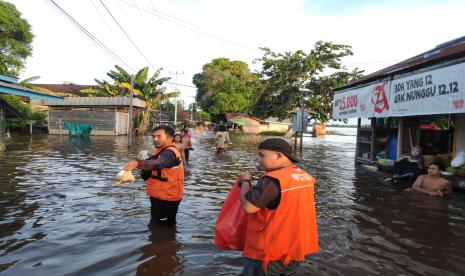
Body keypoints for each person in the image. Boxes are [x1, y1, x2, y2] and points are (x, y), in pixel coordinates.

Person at [238, 138, 318, 276]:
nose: (258, 159)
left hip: (269, 252)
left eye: (262, 155)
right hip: (293, 248)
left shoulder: (273, 180)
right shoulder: (303, 175)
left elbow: (249, 206)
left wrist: (245, 181)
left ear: (278, 155)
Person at [122, 125, 184, 226]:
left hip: (167, 199)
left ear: (170, 138)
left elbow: (158, 163)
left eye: (159, 137)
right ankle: (159, 240)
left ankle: (165, 241)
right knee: (155, 223)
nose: (155, 139)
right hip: (158, 195)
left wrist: (138, 163)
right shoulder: (161, 151)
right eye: (153, 136)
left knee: (164, 228)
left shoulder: (170, 153)